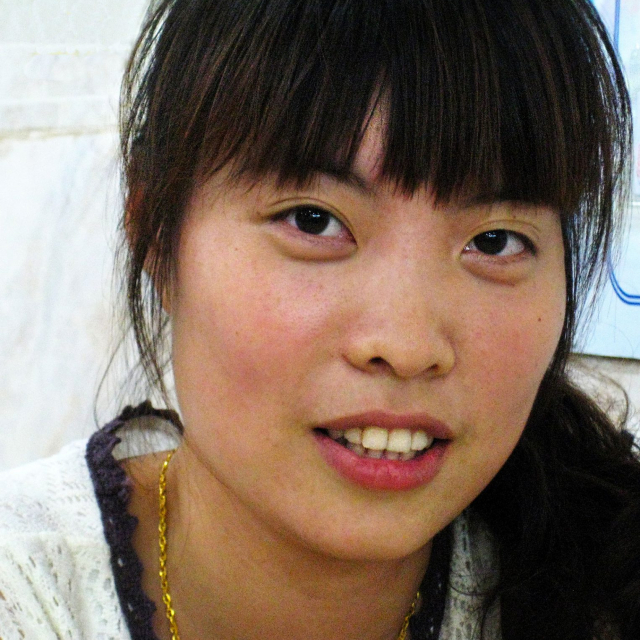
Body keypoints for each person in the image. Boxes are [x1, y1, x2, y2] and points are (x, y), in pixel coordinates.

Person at [1, 0, 639, 638]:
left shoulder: (601, 589)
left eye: (495, 241)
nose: (408, 346)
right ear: (158, 242)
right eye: (314, 220)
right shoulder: (25, 597)